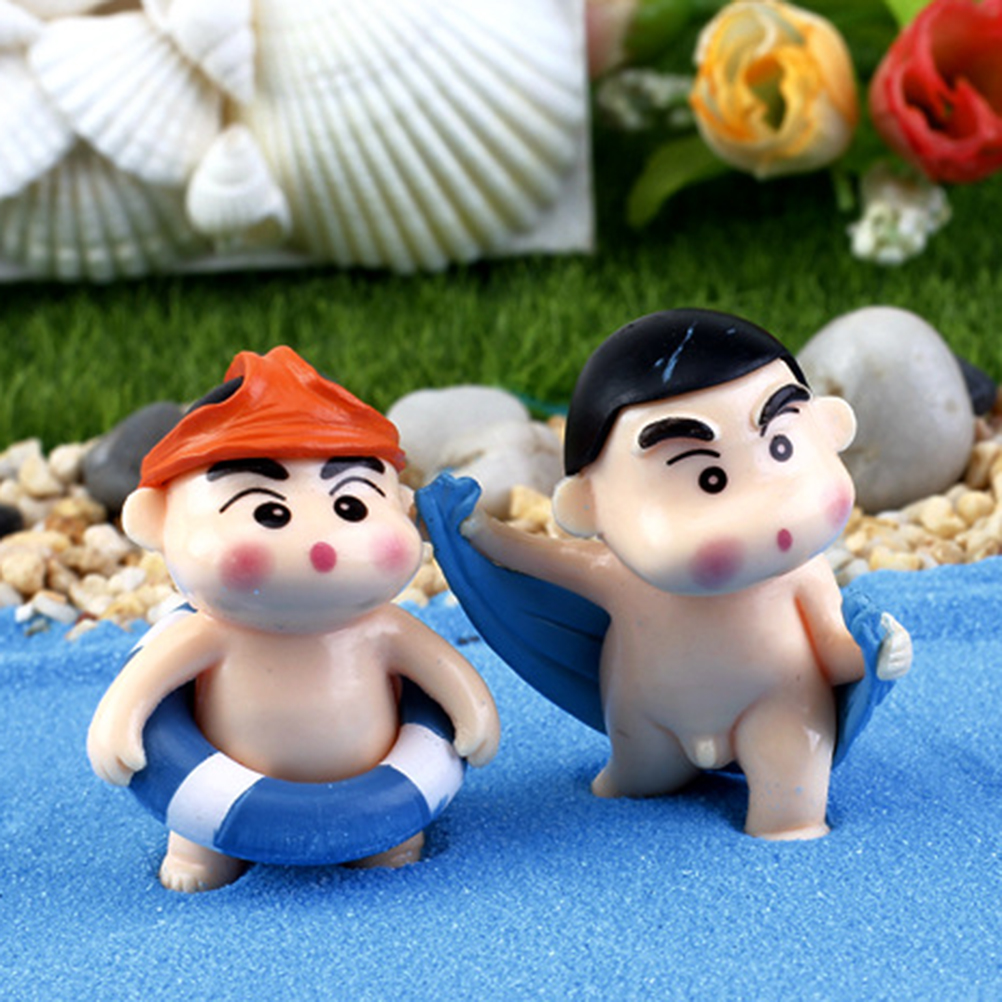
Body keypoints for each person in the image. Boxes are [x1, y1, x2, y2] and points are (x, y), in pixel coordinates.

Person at [456, 309, 910, 840]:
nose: (768, 511)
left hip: (778, 704)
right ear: (587, 506)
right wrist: (478, 532)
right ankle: (634, 775)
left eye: (781, 446)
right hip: (649, 718)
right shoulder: (622, 577)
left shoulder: (802, 576)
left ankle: (788, 818)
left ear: (829, 427)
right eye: (709, 479)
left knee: (791, 803)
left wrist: (875, 654)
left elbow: (832, 652)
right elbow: (541, 559)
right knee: (634, 781)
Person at [88, 346, 500, 891]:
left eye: (350, 506)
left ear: (401, 506)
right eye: (268, 512)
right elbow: (142, 684)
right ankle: (203, 850)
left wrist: (474, 714)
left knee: (392, 847)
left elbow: (445, 672)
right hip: (214, 791)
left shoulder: (383, 629)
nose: (320, 544)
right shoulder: (208, 635)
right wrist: (118, 725)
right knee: (200, 845)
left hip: (381, 791)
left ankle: (391, 838)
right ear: (156, 522)